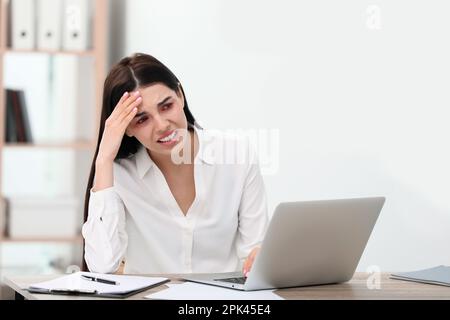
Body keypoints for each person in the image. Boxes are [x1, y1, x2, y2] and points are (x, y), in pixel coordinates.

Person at [82, 53, 268, 276]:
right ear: (127, 128)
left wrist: (259, 256)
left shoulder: (238, 154)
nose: (162, 125)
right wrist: (103, 160)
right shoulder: (118, 174)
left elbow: (254, 250)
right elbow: (102, 266)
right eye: (142, 119)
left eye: (166, 106)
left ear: (180, 95)